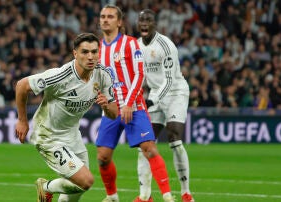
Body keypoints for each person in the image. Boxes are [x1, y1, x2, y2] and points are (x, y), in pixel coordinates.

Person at [15, 33, 118, 202]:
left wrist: (106, 105)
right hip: (48, 135)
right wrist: (22, 120)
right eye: (85, 52)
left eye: (94, 52)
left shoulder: (103, 74)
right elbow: (22, 86)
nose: (90, 57)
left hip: (72, 134)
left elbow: (113, 114)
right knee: (86, 181)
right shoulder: (61, 76)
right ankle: (45, 187)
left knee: (77, 189)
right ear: (75, 54)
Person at [96, 5, 174, 202]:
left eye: (110, 17)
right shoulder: (96, 49)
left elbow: (140, 74)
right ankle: (112, 196)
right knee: (103, 157)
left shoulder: (130, 44)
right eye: (103, 16)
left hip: (134, 107)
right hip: (111, 110)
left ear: (119, 22)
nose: (105, 20)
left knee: (149, 148)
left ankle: (167, 196)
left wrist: (129, 103)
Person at [136, 9, 195, 202]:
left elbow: (169, 80)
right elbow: (138, 75)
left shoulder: (166, 45)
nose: (144, 23)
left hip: (175, 92)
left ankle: (186, 192)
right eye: (141, 20)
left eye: (148, 20)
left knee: (174, 136)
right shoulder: (136, 45)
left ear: (155, 24)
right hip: (154, 94)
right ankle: (145, 196)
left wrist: (152, 100)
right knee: (145, 142)